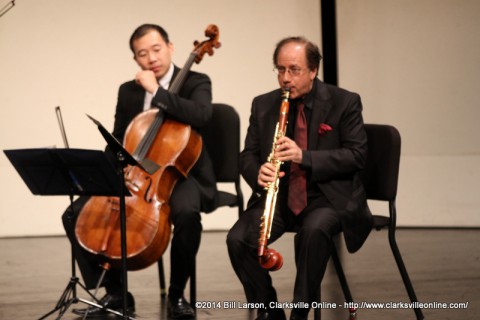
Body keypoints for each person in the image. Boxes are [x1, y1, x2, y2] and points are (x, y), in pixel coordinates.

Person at [62, 24, 218, 319]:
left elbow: (202, 115)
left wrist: (156, 91)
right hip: (137, 176)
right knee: (74, 213)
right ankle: (116, 293)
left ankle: (177, 295)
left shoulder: (197, 81)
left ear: (170, 47)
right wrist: (102, 174)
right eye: (142, 54)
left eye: (156, 50)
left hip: (181, 172)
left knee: (186, 214)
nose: (151, 59)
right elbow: (120, 138)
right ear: (136, 59)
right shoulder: (128, 90)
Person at [226, 36, 372, 320]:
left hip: (328, 197)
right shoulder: (263, 104)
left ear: (313, 71)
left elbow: (357, 156)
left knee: (313, 232)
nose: (285, 78)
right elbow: (248, 155)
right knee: (237, 239)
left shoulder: (344, 102)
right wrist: (258, 171)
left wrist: (303, 156)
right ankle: (270, 311)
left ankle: (300, 314)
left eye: (294, 70)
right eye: (280, 70)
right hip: (281, 197)